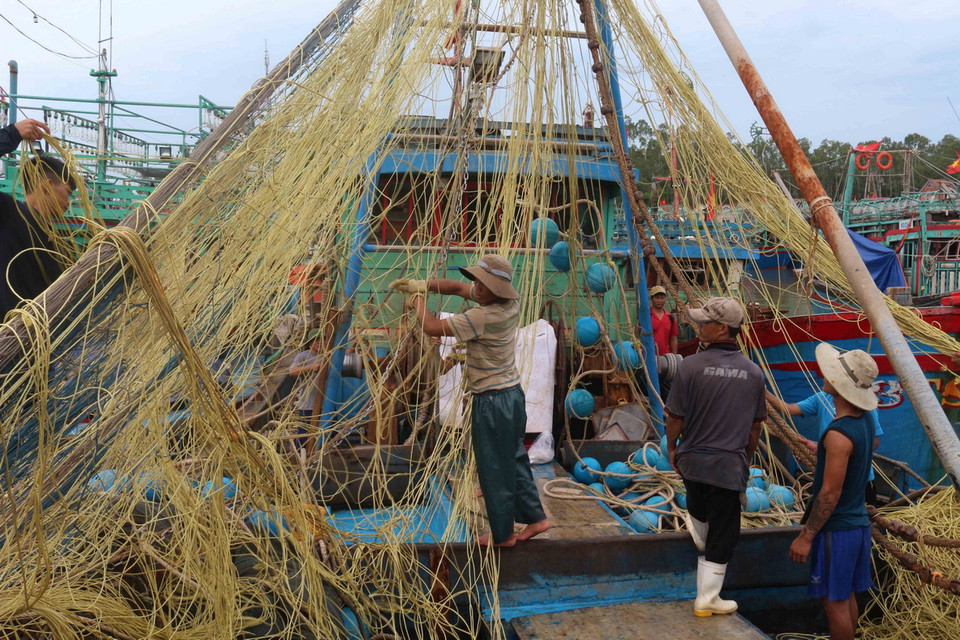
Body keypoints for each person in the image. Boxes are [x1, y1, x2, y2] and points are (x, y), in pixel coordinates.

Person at [390, 254, 550, 547]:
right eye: (476, 279)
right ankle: (536, 519)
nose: (475, 286)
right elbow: (455, 287)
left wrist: (417, 300)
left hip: (491, 402)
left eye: (482, 283)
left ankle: (503, 536)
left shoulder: (481, 317)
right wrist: (423, 283)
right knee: (513, 460)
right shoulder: (509, 305)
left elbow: (431, 328)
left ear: (495, 290)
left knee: (493, 467)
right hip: (512, 396)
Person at [664, 296, 766, 617]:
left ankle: (699, 536)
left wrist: (671, 447)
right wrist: (744, 459)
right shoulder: (753, 373)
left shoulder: (689, 366)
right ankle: (707, 599)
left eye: (705, 322)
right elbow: (754, 430)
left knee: (702, 515)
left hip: (692, 463)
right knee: (725, 532)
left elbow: (674, 418)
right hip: (726, 467)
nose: (699, 326)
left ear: (722, 328)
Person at [789, 344, 878, 640]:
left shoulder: (838, 434)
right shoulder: (864, 422)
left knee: (835, 603)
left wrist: (806, 536)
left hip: (838, 532)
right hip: (858, 528)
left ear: (839, 386)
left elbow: (829, 494)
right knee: (847, 596)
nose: (824, 374)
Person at [0, 118, 76, 319]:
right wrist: (12, 134)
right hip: (10, 337)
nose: (69, 203)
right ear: (47, 185)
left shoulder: (55, 242)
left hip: (42, 341)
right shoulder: (8, 214)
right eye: (68, 192)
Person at [765, 386, 882, 499]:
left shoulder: (863, 404)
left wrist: (833, 451)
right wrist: (763, 390)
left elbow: (874, 442)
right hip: (829, 479)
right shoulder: (821, 398)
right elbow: (788, 409)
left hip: (858, 482)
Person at [288, 329, 325, 447]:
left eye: (321, 340)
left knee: (326, 435)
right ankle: (301, 460)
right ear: (310, 343)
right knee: (303, 438)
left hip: (326, 405)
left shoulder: (328, 355)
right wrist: (310, 367)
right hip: (308, 405)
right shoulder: (303, 356)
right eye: (316, 340)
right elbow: (292, 372)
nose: (319, 342)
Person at [647, 285, 678, 356]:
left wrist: (674, 356)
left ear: (665, 299)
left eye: (662, 298)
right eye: (657, 298)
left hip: (666, 356)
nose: (660, 301)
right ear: (651, 299)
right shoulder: (647, 316)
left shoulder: (670, 317)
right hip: (649, 356)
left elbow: (673, 338)